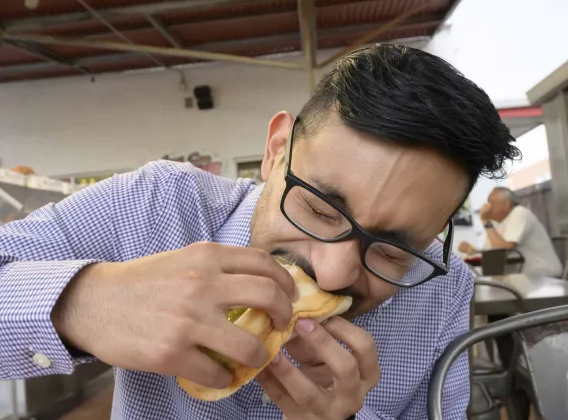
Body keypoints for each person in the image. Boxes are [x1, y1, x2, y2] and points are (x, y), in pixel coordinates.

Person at [0, 44, 519, 420]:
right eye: (318, 208)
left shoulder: (443, 288)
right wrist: (83, 301)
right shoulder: (158, 207)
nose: (335, 273)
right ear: (275, 151)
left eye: (397, 249)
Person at [458, 187, 562, 277]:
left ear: (506, 203)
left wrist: (486, 222)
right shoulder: (496, 223)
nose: (487, 206)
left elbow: (506, 247)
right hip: (521, 277)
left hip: (543, 276)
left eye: (491, 201)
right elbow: (491, 251)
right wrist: (472, 250)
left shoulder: (519, 212)